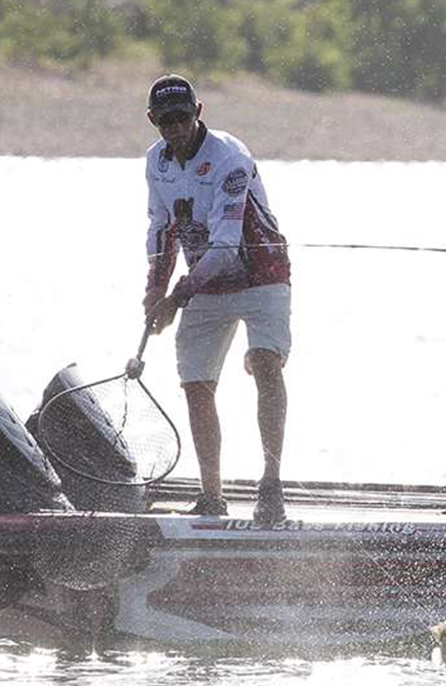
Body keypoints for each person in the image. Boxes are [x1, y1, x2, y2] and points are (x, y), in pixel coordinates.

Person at [142, 74, 292, 523]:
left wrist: (175, 297)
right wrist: (153, 290)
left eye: (183, 118)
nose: (176, 129)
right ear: (153, 121)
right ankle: (212, 495)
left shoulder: (229, 157)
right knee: (196, 385)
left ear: (198, 112)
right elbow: (161, 230)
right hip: (205, 285)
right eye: (165, 121)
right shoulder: (156, 162)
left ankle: (271, 483)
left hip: (262, 275)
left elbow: (225, 249)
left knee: (264, 363)